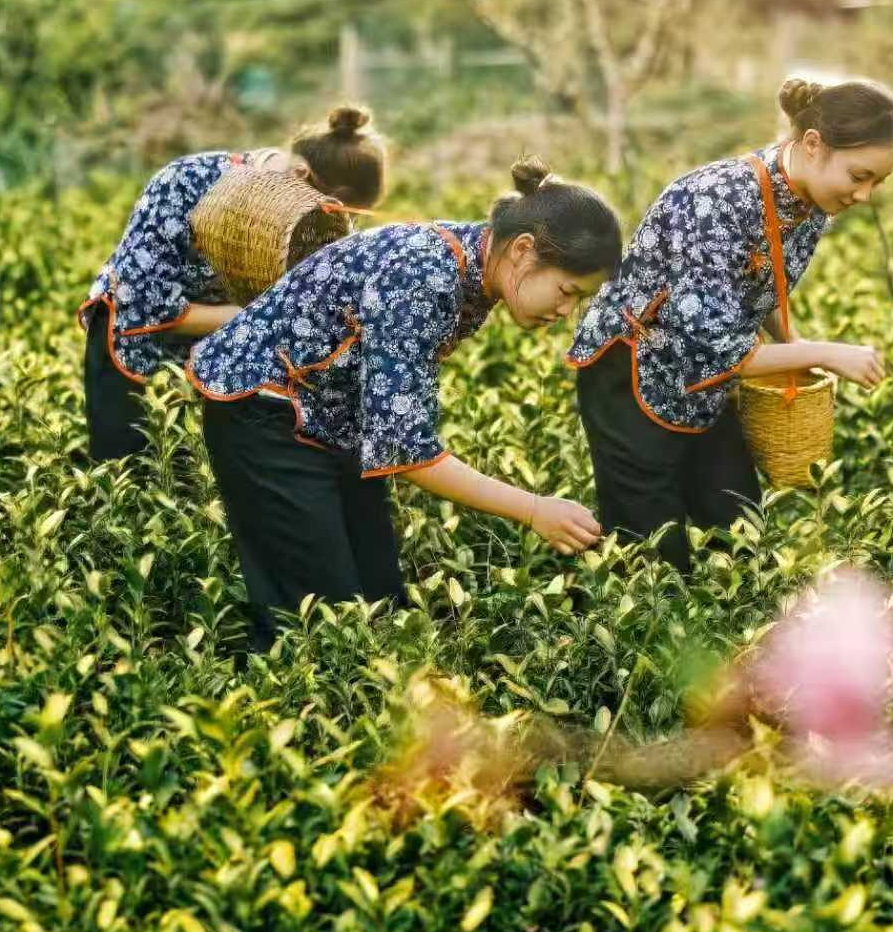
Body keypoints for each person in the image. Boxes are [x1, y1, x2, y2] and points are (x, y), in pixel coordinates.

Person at [186, 159, 621, 650]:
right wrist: (535, 509)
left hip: (327, 414)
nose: (565, 311)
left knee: (379, 598)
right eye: (567, 290)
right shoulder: (423, 274)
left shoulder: (472, 268)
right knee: (317, 618)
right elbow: (405, 451)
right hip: (263, 408)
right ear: (523, 251)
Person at [568, 77, 893, 572]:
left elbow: (753, 281)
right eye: (860, 175)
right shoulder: (713, 202)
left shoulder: (810, 202)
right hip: (633, 374)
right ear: (813, 145)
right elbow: (725, 349)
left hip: (705, 381)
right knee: (651, 552)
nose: (865, 195)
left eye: (878, 182)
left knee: (739, 530)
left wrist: (791, 340)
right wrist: (824, 352)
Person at [79, 106, 388, 461]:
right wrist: (255, 315)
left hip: (216, 354)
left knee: (195, 479)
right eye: (335, 211)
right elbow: (142, 303)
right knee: (131, 467)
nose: (338, 224)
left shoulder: (324, 222)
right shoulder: (189, 181)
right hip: (135, 344)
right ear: (301, 174)